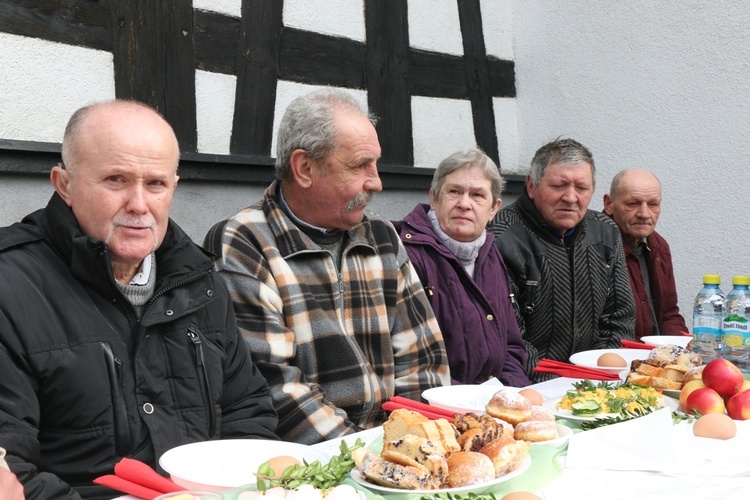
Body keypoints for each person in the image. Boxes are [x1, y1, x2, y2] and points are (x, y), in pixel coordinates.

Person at [0, 101, 278, 499]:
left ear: (173, 188)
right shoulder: (10, 285)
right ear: (64, 185)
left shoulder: (199, 278)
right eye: (116, 179)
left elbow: (247, 409)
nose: (139, 204)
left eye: (156, 184)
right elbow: (9, 470)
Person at [204, 88, 450, 444]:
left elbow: (423, 358)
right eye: (359, 166)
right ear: (304, 168)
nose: (377, 182)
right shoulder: (244, 242)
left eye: (376, 163)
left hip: (397, 451)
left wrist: (413, 445)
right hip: (314, 466)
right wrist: (364, 460)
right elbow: (275, 389)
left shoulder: (380, 235)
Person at [487, 138, 635, 382]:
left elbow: (620, 318)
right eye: (559, 186)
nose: (570, 197)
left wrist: (598, 378)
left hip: (597, 384)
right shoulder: (500, 236)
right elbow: (510, 336)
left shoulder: (606, 232)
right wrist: (558, 386)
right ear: (531, 186)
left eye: (582, 188)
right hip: (528, 386)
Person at [393, 147, 530, 386]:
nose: (464, 204)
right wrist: (475, 405)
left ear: (494, 209)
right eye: (454, 192)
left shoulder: (491, 253)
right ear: (434, 199)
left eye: (477, 195)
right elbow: (410, 362)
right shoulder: (405, 254)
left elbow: (510, 346)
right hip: (436, 406)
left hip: (487, 404)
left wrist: (513, 395)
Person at [603, 168, 687, 339]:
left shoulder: (658, 246)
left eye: (653, 204)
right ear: (609, 204)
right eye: (632, 204)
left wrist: (682, 347)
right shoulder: (594, 246)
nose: (644, 214)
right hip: (615, 357)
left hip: (655, 359)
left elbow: (669, 314)